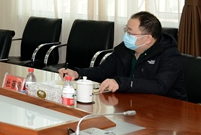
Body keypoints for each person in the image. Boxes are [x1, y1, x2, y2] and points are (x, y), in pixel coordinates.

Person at [59, 11, 187, 100]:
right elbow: (103, 71)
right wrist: (78, 73)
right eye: (126, 30)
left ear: (147, 38)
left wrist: (121, 83)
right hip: (132, 103)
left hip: (167, 110)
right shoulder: (126, 48)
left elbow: (160, 86)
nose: (126, 36)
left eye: (130, 33)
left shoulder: (170, 55)